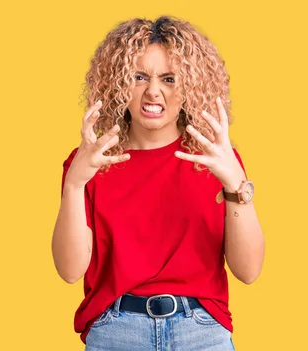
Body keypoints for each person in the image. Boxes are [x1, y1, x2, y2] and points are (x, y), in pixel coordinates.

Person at [51, 16, 265, 350]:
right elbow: (69, 270)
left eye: (169, 78)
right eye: (139, 77)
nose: (153, 91)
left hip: (201, 332)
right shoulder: (90, 162)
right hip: (116, 332)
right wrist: (74, 185)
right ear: (119, 83)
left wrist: (237, 184)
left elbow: (249, 271)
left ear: (191, 85)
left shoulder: (216, 159)